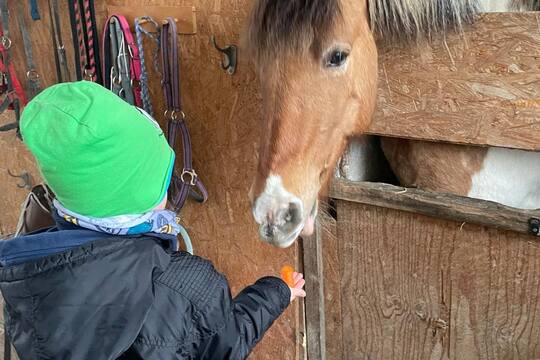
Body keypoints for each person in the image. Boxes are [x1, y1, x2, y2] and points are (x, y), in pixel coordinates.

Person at [0, 81, 306, 359]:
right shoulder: (186, 288)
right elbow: (227, 344)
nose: (168, 193)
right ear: (135, 197)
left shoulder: (28, 279)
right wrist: (278, 291)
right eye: (162, 182)